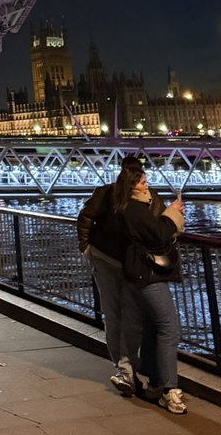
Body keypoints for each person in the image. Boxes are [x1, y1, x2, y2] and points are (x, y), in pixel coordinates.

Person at [77, 155, 148, 398]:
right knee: (130, 315)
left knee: (114, 314)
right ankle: (129, 367)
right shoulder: (144, 199)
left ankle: (124, 368)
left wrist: (86, 247)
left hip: (105, 259)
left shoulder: (105, 193)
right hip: (125, 263)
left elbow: (85, 217)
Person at [121, 171, 187, 415]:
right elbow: (157, 235)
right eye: (142, 182)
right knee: (170, 328)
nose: (146, 186)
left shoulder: (128, 207)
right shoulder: (135, 209)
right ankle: (170, 390)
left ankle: (154, 382)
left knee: (152, 326)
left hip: (136, 275)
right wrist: (172, 215)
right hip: (147, 274)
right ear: (132, 186)